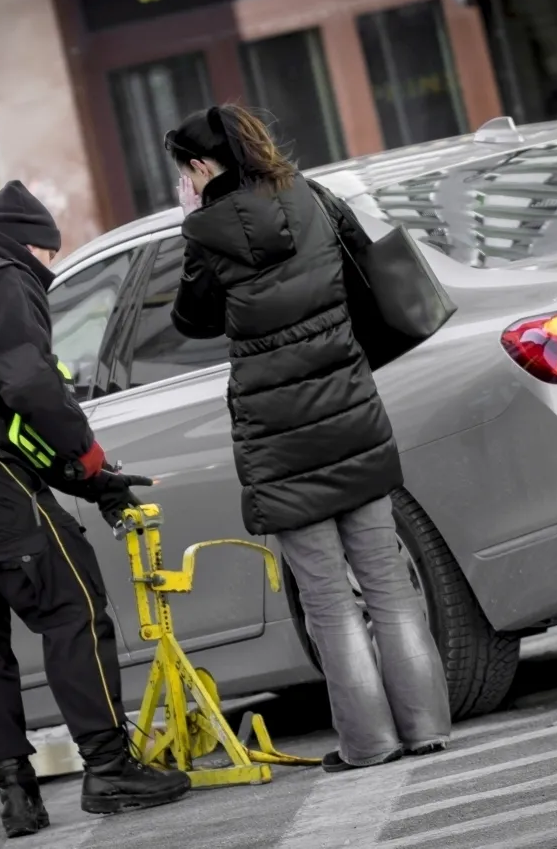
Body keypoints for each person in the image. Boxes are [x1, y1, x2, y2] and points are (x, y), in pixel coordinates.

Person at [0, 180, 191, 838]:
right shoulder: (6, 278)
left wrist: (89, 479)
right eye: (50, 258)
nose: (50, 272)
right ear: (32, 247)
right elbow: (28, 386)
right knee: (71, 603)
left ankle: (17, 795)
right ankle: (110, 769)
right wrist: (92, 452)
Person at [165, 105, 452, 772]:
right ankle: (428, 725)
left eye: (183, 170)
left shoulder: (206, 232)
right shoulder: (316, 196)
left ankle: (368, 743)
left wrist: (192, 221)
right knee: (387, 584)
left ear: (202, 166)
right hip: (352, 414)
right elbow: (363, 282)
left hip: (281, 441)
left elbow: (192, 319)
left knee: (327, 600)